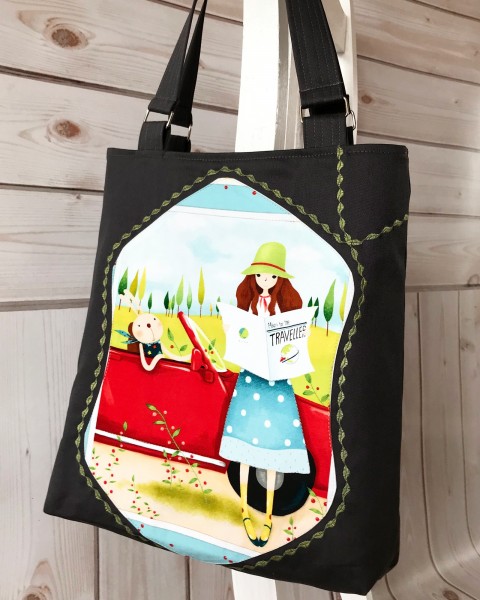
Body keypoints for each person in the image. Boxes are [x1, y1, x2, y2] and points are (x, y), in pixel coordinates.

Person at [219, 242, 310, 547]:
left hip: (277, 383)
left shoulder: (285, 307)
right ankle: (244, 508)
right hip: (251, 378)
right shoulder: (250, 304)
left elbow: (293, 343)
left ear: (280, 279)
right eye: (260, 275)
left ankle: (269, 513)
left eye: (271, 277)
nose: (265, 281)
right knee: (245, 447)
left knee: (273, 449)